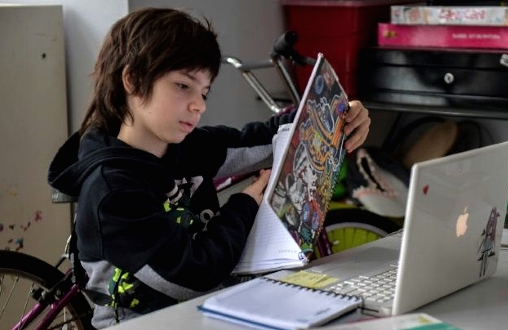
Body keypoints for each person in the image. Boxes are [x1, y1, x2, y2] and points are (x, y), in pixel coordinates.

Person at [48, 7, 371, 328]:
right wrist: (246, 204)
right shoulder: (111, 191)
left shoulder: (187, 147)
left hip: (208, 312)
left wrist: (340, 114)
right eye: (183, 86)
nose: (199, 104)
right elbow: (193, 275)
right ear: (132, 80)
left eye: (204, 91)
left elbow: (271, 136)